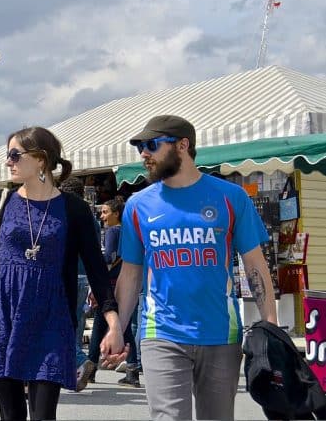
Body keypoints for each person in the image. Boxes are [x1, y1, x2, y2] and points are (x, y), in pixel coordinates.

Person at [102, 115, 279, 421]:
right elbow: (130, 275)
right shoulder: (137, 205)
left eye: (151, 145)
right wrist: (117, 329)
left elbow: (254, 265)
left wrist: (272, 326)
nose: (144, 154)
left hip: (221, 334)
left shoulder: (231, 197)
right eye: (140, 147)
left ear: (183, 146)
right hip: (162, 333)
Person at [0, 126, 122, 421]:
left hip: (51, 317)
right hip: (3, 315)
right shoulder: (0, 203)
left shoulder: (75, 209)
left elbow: (97, 271)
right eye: (8, 155)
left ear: (41, 160)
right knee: (10, 414)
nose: (8, 161)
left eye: (15, 155)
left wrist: (114, 325)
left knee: (44, 414)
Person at [86, 198, 140, 387]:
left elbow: (109, 258)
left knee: (108, 326)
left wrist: (96, 284)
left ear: (116, 214)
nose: (102, 216)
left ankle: (92, 368)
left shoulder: (112, 232)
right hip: (123, 285)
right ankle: (93, 367)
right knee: (108, 326)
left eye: (106, 212)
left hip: (110, 286)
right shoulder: (127, 232)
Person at [57, 176, 100, 392]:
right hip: (85, 278)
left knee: (59, 326)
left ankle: (80, 360)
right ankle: (71, 372)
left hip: (66, 277)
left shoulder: (64, 213)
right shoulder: (91, 217)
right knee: (75, 326)